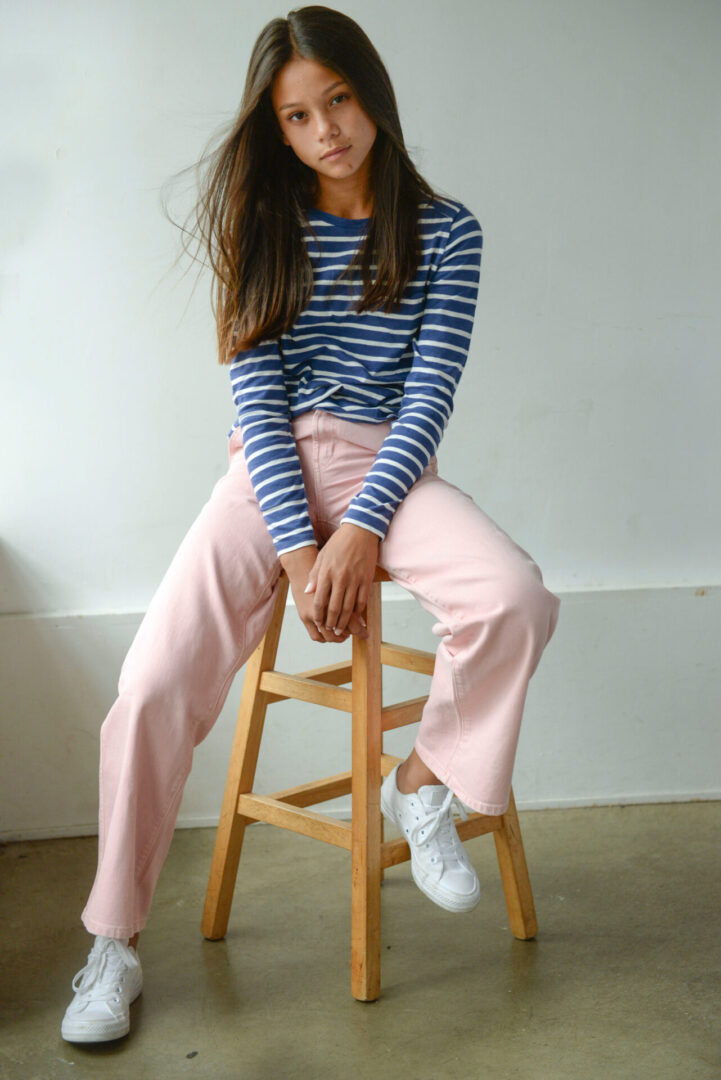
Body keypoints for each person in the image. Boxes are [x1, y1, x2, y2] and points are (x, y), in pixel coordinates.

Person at [61, 3, 561, 1044]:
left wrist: (362, 528)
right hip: (269, 475)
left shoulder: (448, 232)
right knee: (150, 686)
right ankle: (112, 945)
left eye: (337, 100)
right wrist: (299, 550)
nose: (325, 128)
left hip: (391, 469)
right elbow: (255, 401)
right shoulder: (261, 227)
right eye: (297, 116)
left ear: (371, 94)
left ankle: (422, 785)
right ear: (276, 130)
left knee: (515, 596)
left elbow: (429, 396)